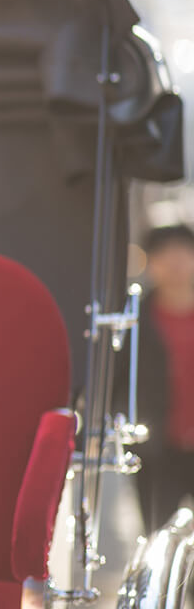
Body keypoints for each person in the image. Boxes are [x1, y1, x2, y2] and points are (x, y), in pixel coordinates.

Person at [120, 224, 194, 534]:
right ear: (150, 263)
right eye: (164, 254)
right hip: (157, 450)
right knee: (158, 536)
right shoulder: (133, 320)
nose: (175, 263)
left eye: (183, 252)